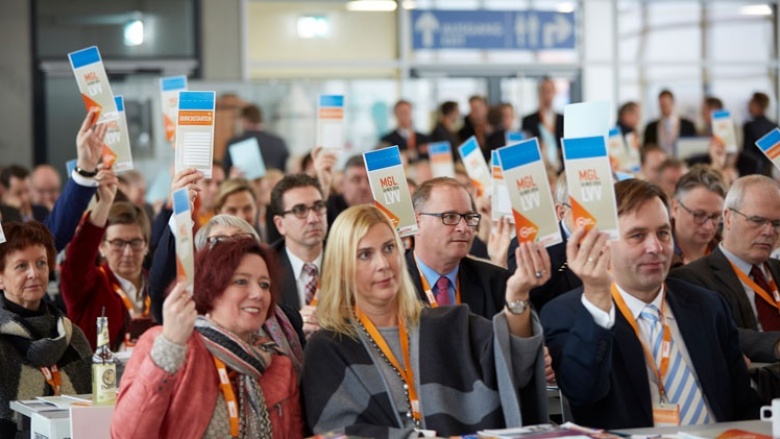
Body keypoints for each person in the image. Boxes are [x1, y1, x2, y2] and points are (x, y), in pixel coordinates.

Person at [303, 204, 547, 437]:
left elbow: (515, 362)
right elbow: (336, 433)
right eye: (365, 255)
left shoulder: (449, 324)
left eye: (389, 248)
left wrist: (517, 295)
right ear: (343, 268)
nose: (383, 264)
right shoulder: (329, 347)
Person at [541, 178, 760, 429]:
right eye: (637, 235)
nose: (656, 247)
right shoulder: (567, 314)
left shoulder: (708, 306)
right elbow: (583, 393)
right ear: (603, 244)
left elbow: (744, 404)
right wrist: (598, 301)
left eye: (663, 233)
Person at [111, 238, 302, 438]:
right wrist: (169, 348)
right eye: (241, 281)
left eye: (264, 285)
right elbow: (127, 434)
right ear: (210, 289)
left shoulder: (278, 365)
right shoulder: (168, 343)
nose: (258, 293)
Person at [670, 175, 780, 364]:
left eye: (777, 224)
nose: (768, 231)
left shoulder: (777, 269)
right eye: (757, 220)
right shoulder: (689, 279)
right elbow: (716, 333)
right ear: (728, 218)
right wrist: (776, 346)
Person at [0, 222, 91, 438]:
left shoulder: (73, 336)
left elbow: (97, 405)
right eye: (21, 266)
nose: (34, 273)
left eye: (41, 263)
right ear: (1, 278)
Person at [60, 170, 154, 351]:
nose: (128, 252)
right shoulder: (88, 286)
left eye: (135, 242)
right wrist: (104, 204)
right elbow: (78, 258)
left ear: (146, 245)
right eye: (118, 243)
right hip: (97, 378)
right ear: (101, 247)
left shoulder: (157, 288)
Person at [407, 177, 506, 318]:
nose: (464, 228)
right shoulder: (391, 282)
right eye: (450, 217)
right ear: (418, 223)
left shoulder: (496, 282)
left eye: (469, 217)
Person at [508, 172, 582, 311]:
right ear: (561, 212)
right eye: (585, 209)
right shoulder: (529, 245)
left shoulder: (620, 240)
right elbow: (534, 301)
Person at [269, 174, 327, 335]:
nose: (313, 218)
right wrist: (293, 328)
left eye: (318, 206)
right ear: (280, 224)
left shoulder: (347, 258)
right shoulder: (265, 267)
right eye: (300, 210)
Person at [669, 165, 726, 268]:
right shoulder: (657, 255)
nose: (708, 227)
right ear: (675, 208)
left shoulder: (729, 255)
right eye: (699, 215)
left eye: (716, 216)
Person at [224, 104, 290, 173]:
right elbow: (287, 168)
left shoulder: (235, 143)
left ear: (244, 120)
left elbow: (227, 171)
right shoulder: (278, 142)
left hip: (245, 183)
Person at [521, 77, 565, 170]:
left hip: (560, 169)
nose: (547, 95)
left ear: (555, 92)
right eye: (544, 91)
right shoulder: (528, 120)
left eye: (549, 91)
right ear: (539, 93)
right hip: (538, 168)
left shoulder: (563, 119)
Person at [643, 89, 697, 154]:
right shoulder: (650, 128)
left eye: (666, 104)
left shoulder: (688, 125)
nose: (664, 107)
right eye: (661, 105)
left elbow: (693, 148)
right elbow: (646, 150)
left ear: (673, 103)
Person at [742, 92, 778, 176]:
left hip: (754, 169)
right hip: (772, 171)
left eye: (750, 103)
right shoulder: (774, 125)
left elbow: (747, 151)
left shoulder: (749, 126)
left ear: (756, 105)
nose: (749, 107)